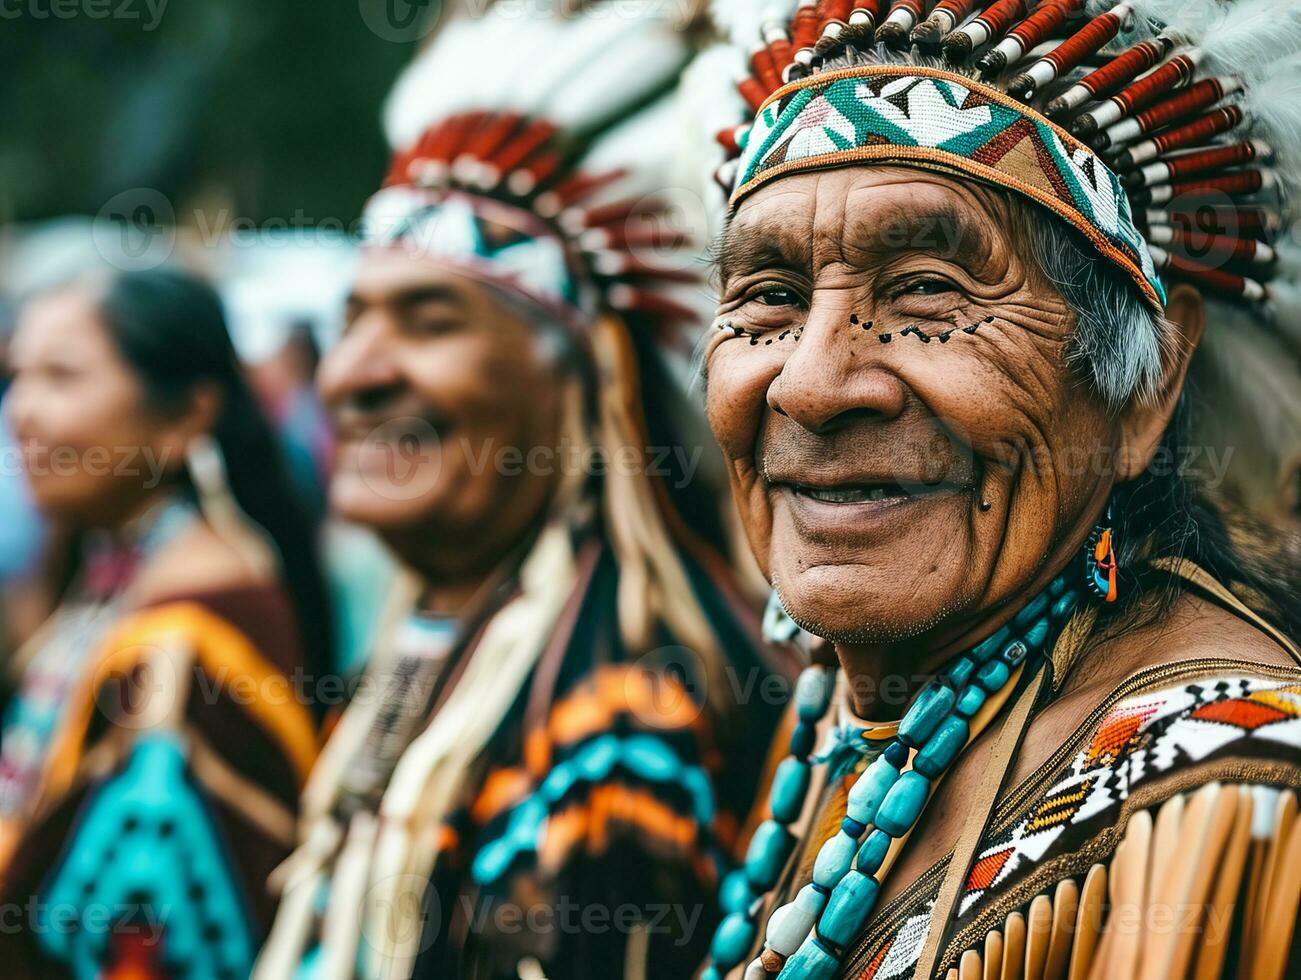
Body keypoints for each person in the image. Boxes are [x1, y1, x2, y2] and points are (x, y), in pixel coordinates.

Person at [687, 1, 1301, 977]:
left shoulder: (1230, 797)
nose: (809, 381)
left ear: (1145, 382)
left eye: (927, 287)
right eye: (768, 296)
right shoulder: (844, 735)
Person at [254, 3, 793, 978]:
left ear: (586, 377)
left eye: (428, 320)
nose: (351, 375)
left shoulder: (627, 725)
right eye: (352, 320)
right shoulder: (449, 649)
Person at [0, 267, 329, 978]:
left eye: (61, 377)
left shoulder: (189, 640)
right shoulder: (107, 573)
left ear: (186, 417)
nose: (21, 409)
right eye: (16, 375)